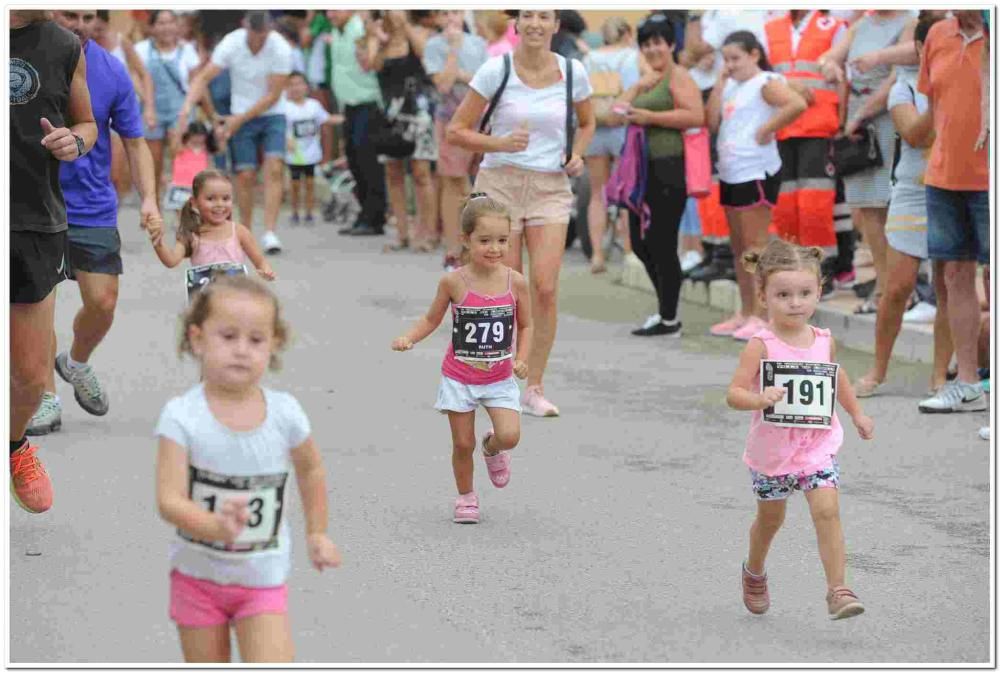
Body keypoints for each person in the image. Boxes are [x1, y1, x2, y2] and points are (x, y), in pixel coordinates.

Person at [155, 276, 341, 662]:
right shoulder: (182, 417)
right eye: (228, 336)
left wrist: (317, 532)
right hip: (197, 579)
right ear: (197, 338)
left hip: (262, 580)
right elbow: (169, 499)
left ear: (273, 345)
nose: (242, 350)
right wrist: (213, 526)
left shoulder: (285, 413)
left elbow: (311, 471)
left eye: (256, 340)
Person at [447, 9, 595, 416]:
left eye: (543, 16)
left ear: (555, 25)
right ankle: (493, 380)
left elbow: (588, 122)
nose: (534, 23)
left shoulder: (573, 72)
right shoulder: (497, 70)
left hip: (550, 186)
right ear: (517, 24)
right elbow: (456, 131)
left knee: (544, 287)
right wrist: (499, 144)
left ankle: (533, 386)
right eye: (527, 15)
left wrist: (577, 154)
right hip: (500, 185)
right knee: (504, 289)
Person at [25, 9, 161, 437]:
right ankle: (46, 395)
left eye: (88, 16)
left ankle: (75, 361)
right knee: (37, 303)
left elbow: (135, 144)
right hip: (35, 202)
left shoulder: (110, 70)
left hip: (92, 205)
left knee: (102, 303)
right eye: (71, 14)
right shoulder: (26, 56)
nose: (80, 23)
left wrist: (150, 201)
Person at [725, 239, 874, 619]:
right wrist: (758, 399)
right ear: (763, 296)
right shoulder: (761, 345)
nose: (795, 302)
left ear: (819, 292)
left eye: (805, 293)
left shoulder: (824, 341)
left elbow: (835, 377)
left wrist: (856, 413)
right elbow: (734, 393)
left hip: (815, 445)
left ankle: (838, 589)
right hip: (772, 451)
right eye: (784, 294)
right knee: (771, 519)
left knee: (827, 509)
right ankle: (754, 570)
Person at [392, 195, 532, 523]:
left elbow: (526, 325)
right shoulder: (453, 281)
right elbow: (431, 320)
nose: (495, 248)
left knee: (510, 435)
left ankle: (493, 448)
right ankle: (466, 497)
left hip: (498, 378)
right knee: (461, 443)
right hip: (459, 378)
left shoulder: (516, 282)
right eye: (485, 240)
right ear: (465, 240)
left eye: (502, 240)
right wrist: (409, 338)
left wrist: (522, 358)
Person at [11, 10, 97, 512]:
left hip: (32, 220)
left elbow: (84, 122)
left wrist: (76, 141)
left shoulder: (64, 44)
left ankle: (14, 444)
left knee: (27, 376)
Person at [853, 14, 954, 399]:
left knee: (949, 285)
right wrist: (946, 93)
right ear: (919, 48)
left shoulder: (975, 80)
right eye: (931, 44)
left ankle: (940, 377)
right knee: (897, 288)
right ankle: (878, 371)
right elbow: (914, 134)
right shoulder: (904, 87)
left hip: (956, 188)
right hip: (913, 191)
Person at [707, 31, 807, 341]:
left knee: (755, 245)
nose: (730, 65)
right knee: (738, 245)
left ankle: (762, 316)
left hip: (755, 170)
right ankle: (746, 310)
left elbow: (797, 103)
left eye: (736, 58)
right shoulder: (731, 86)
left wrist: (768, 129)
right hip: (731, 170)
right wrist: (721, 81)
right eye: (726, 59)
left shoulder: (764, 82)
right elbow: (711, 122)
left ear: (754, 55)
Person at [818, 10, 917, 315]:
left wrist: (861, 115)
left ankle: (904, 290)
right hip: (857, 120)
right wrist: (831, 67)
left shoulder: (910, 20)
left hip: (890, 115)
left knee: (892, 207)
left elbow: (898, 76)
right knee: (867, 207)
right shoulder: (861, 24)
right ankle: (884, 286)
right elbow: (828, 58)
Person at [916, 10, 989, 414]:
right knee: (954, 275)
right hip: (943, 177)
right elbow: (935, 106)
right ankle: (967, 384)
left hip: (990, 180)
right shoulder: (938, 34)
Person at [614, 14, 702, 338]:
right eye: (647, 44)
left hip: (670, 167)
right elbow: (615, 111)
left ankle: (669, 318)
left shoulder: (678, 77)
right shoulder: (648, 78)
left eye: (658, 43)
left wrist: (650, 116)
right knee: (638, 242)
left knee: (662, 243)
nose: (653, 49)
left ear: (671, 44)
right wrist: (638, 86)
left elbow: (696, 115)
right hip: (640, 171)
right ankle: (666, 308)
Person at [179, 11, 293, 254]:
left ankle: (270, 232)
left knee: (274, 167)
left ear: (269, 29)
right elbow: (202, 78)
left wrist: (237, 120)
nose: (259, 39)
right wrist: (188, 107)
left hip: (273, 113)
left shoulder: (281, 48)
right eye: (255, 33)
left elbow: (273, 96)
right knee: (245, 174)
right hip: (240, 112)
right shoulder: (232, 42)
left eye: (263, 34)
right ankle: (245, 231)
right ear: (245, 27)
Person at [764, 11, 849, 277]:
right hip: (781, 128)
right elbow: (762, 76)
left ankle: (823, 268)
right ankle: (793, 267)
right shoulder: (770, 28)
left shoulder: (834, 26)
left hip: (820, 127)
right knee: (785, 204)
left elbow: (846, 78)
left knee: (815, 203)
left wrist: (843, 123)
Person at [367, 10, 439, 251]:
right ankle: (401, 233)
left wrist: (406, 25)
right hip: (390, 115)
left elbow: (424, 54)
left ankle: (428, 233)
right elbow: (371, 64)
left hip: (418, 113)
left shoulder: (417, 33)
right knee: (393, 174)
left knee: (421, 173)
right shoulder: (378, 37)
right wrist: (377, 39)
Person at [425, 9, 489, 269]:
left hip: (479, 118)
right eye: (444, 13)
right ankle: (453, 249)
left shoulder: (479, 44)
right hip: (450, 119)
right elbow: (443, 84)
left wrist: (462, 75)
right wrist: (453, 50)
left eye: (454, 11)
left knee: (477, 185)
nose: (450, 18)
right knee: (453, 181)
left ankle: (474, 247)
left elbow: (487, 83)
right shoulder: (433, 45)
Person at [583, 17, 641, 274]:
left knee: (597, 193)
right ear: (627, 33)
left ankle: (597, 254)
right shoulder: (632, 57)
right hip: (621, 127)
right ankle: (629, 250)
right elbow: (633, 92)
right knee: (626, 191)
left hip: (595, 127)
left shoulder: (589, 58)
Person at [150, 169, 275, 282]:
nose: (219, 204)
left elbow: (260, 261)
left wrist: (266, 271)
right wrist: (158, 243)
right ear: (195, 202)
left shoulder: (239, 231)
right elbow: (171, 261)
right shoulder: (191, 234)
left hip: (235, 298)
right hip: (205, 301)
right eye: (211, 199)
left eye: (225, 199)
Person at [134, 10, 202, 203]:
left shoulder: (187, 50)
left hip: (179, 110)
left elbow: (196, 82)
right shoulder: (142, 49)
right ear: (152, 27)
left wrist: (187, 110)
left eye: (170, 22)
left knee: (181, 159)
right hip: (151, 109)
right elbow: (135, 78)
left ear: (177, 25)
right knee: (152, 164)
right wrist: (148, 107)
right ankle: (153, 208)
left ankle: (184, 209)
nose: (166, 27)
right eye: (161, 23)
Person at [281, 71, 343, 225]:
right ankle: (295, 212)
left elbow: (327, 118)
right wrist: (285, 140)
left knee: (310, 183)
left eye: (299, 84)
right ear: (287, 88)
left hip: (311, 153)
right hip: (294, 154)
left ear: (306, 87)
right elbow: (279, 128)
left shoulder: (314, 106)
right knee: (295, 185)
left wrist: (346, 119)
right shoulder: (284, 107)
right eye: (292, 85)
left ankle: (309, 213)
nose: (296, 88)